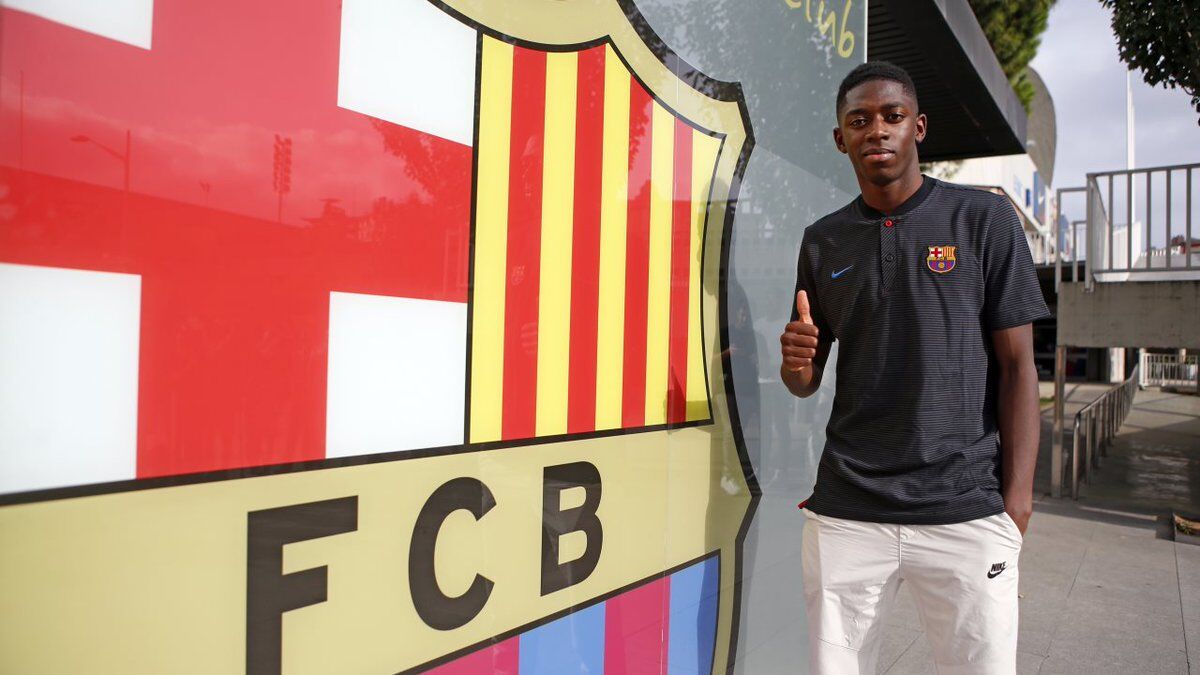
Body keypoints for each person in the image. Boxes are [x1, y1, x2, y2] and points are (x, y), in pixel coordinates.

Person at [779, 61, 1049, 674]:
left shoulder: (983, 219)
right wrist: (796, 360)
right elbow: (805, 381)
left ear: (918, 127)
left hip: (966, 508)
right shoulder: (823, 240)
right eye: (859, 121)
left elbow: (1018, 368)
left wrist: (1017, 503)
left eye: (892, 116)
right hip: (848, 511)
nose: (877, 130)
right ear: (840, 139)